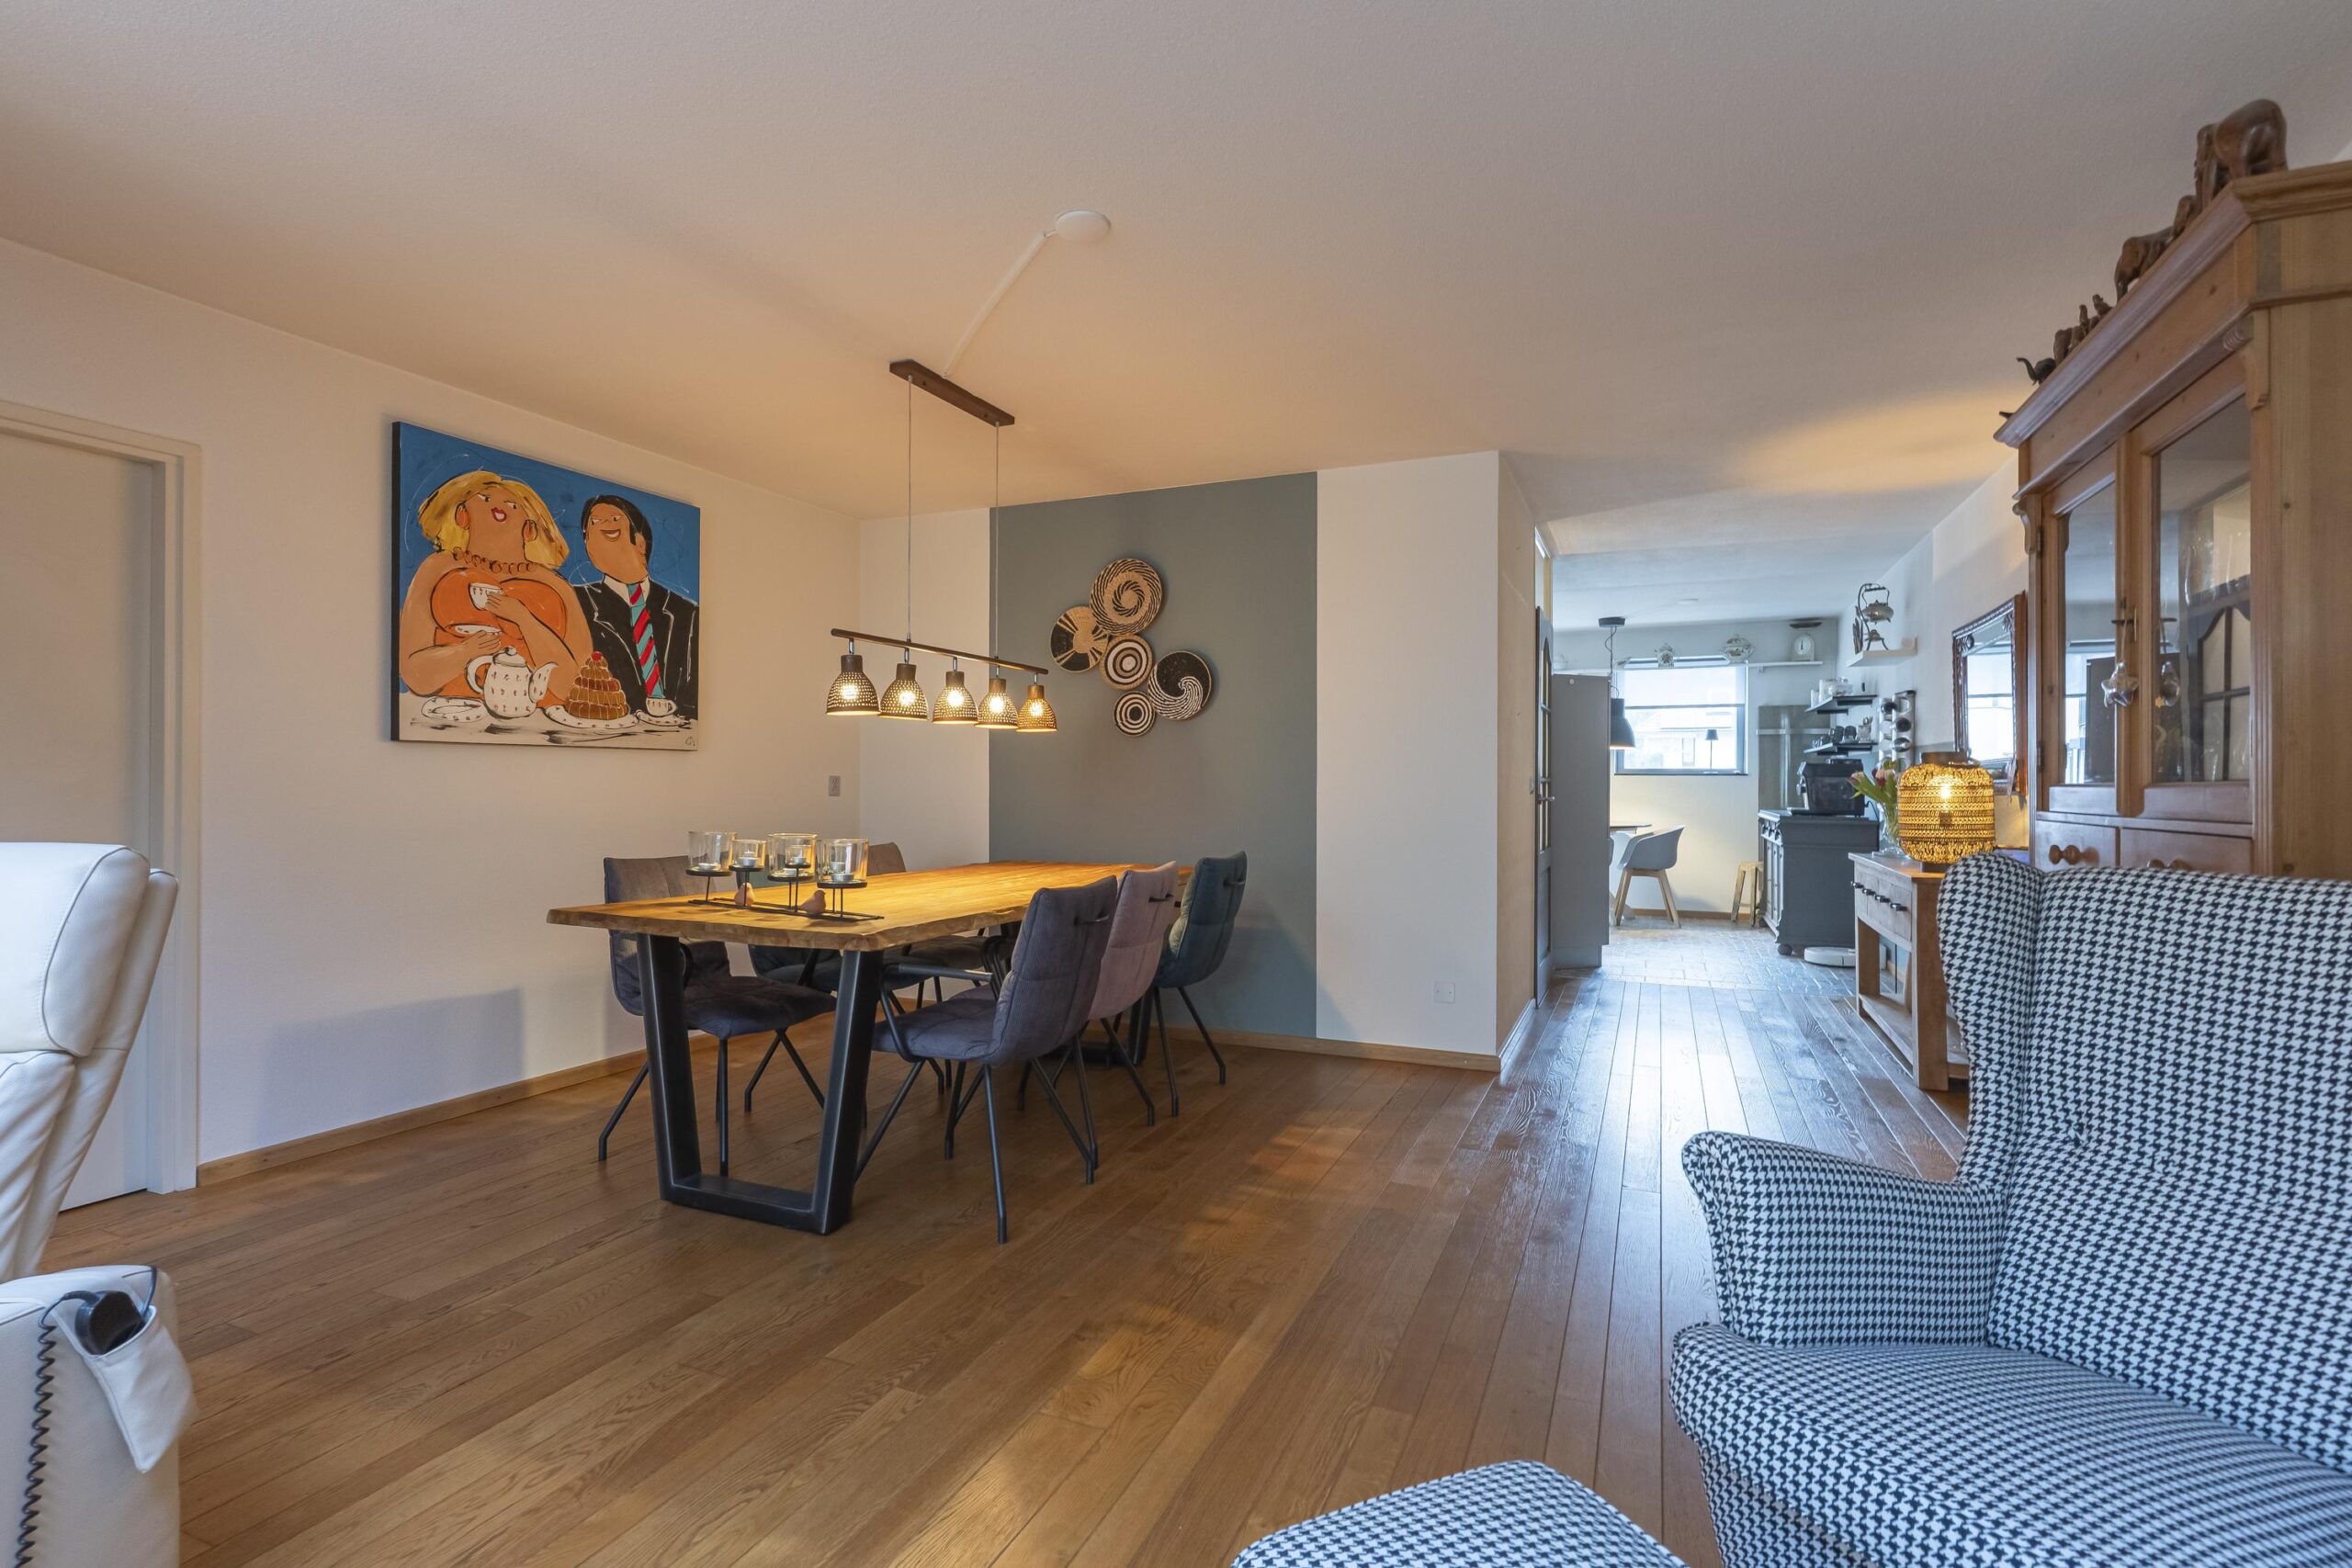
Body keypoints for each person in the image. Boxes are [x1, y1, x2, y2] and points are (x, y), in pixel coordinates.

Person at [397, 470, 589, 707]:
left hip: (539, 720)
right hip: (450, 713)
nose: (498, 507)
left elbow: (577, 686)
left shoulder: (556, 586)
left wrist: (524, 619)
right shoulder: (436, 568)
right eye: (484, 499)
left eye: (513, 505)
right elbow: (414, 673)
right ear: (462, 515)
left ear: (529, 529)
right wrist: (465, 651)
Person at [576, 494, 700, 719]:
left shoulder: (686, 611)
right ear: (588, 547)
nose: (603, 524)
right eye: (593, 523)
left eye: (614, 518)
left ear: (640, 542)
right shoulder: (576, 601)